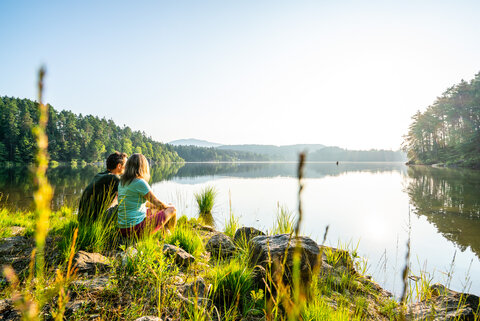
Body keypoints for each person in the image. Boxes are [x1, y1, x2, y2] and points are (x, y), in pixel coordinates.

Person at [117, 153, 176, 238]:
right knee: (172, 210)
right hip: (135, 229)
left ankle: (165, 233)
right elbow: (157, 202)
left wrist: (157, 207)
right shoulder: (139, 182)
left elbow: (138, 203)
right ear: (143, 167)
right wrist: (167, 206)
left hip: (122, 229)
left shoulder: (122, 182)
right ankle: (170, 237)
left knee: (156, 209)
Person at [78, 152, 128, 225]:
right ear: (119, 166)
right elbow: (129, 198)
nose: (127, 167)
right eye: (126, 165)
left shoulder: (100, 175)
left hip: (83, 219)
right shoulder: (115, 178)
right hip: (93, 221)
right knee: (128, 206)